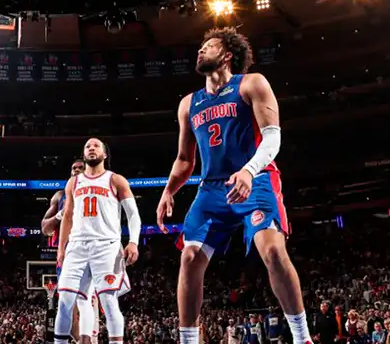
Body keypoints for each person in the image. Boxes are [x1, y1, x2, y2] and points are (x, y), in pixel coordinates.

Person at [156, 28, 313, 344]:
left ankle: (301, 337)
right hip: (211, 188)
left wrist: (248, 170)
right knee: (189, 257)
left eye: (209, 46)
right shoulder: (188, 104)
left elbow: (273, 137)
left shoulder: (252, 83)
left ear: (227, 55)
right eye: (200, 46)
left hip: (256, 179)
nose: (200, 51)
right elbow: (185, 159)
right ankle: (188, 340)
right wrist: (168, 190)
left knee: (272, 251)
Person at [54, 138, 141, 344]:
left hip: (106, 246)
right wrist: (61, 249)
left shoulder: (116, 180)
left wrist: (134, 241)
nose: (91, 148)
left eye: (96, 146)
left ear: (104, 155)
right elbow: (67, 217)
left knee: (109, 302)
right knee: (65, 301)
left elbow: (133, 214)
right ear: (84, 155)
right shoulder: (73, 182)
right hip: (77, 246)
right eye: (87, 146)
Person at [41, 159, 98, 344]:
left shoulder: (98, 192)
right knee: (68, 304)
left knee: (89, 302)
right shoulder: (59, 196)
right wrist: (61, 213)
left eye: (81, 168)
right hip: (67, 254)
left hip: (93, 252)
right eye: (74, 168)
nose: (77, 171)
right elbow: (45, 228)